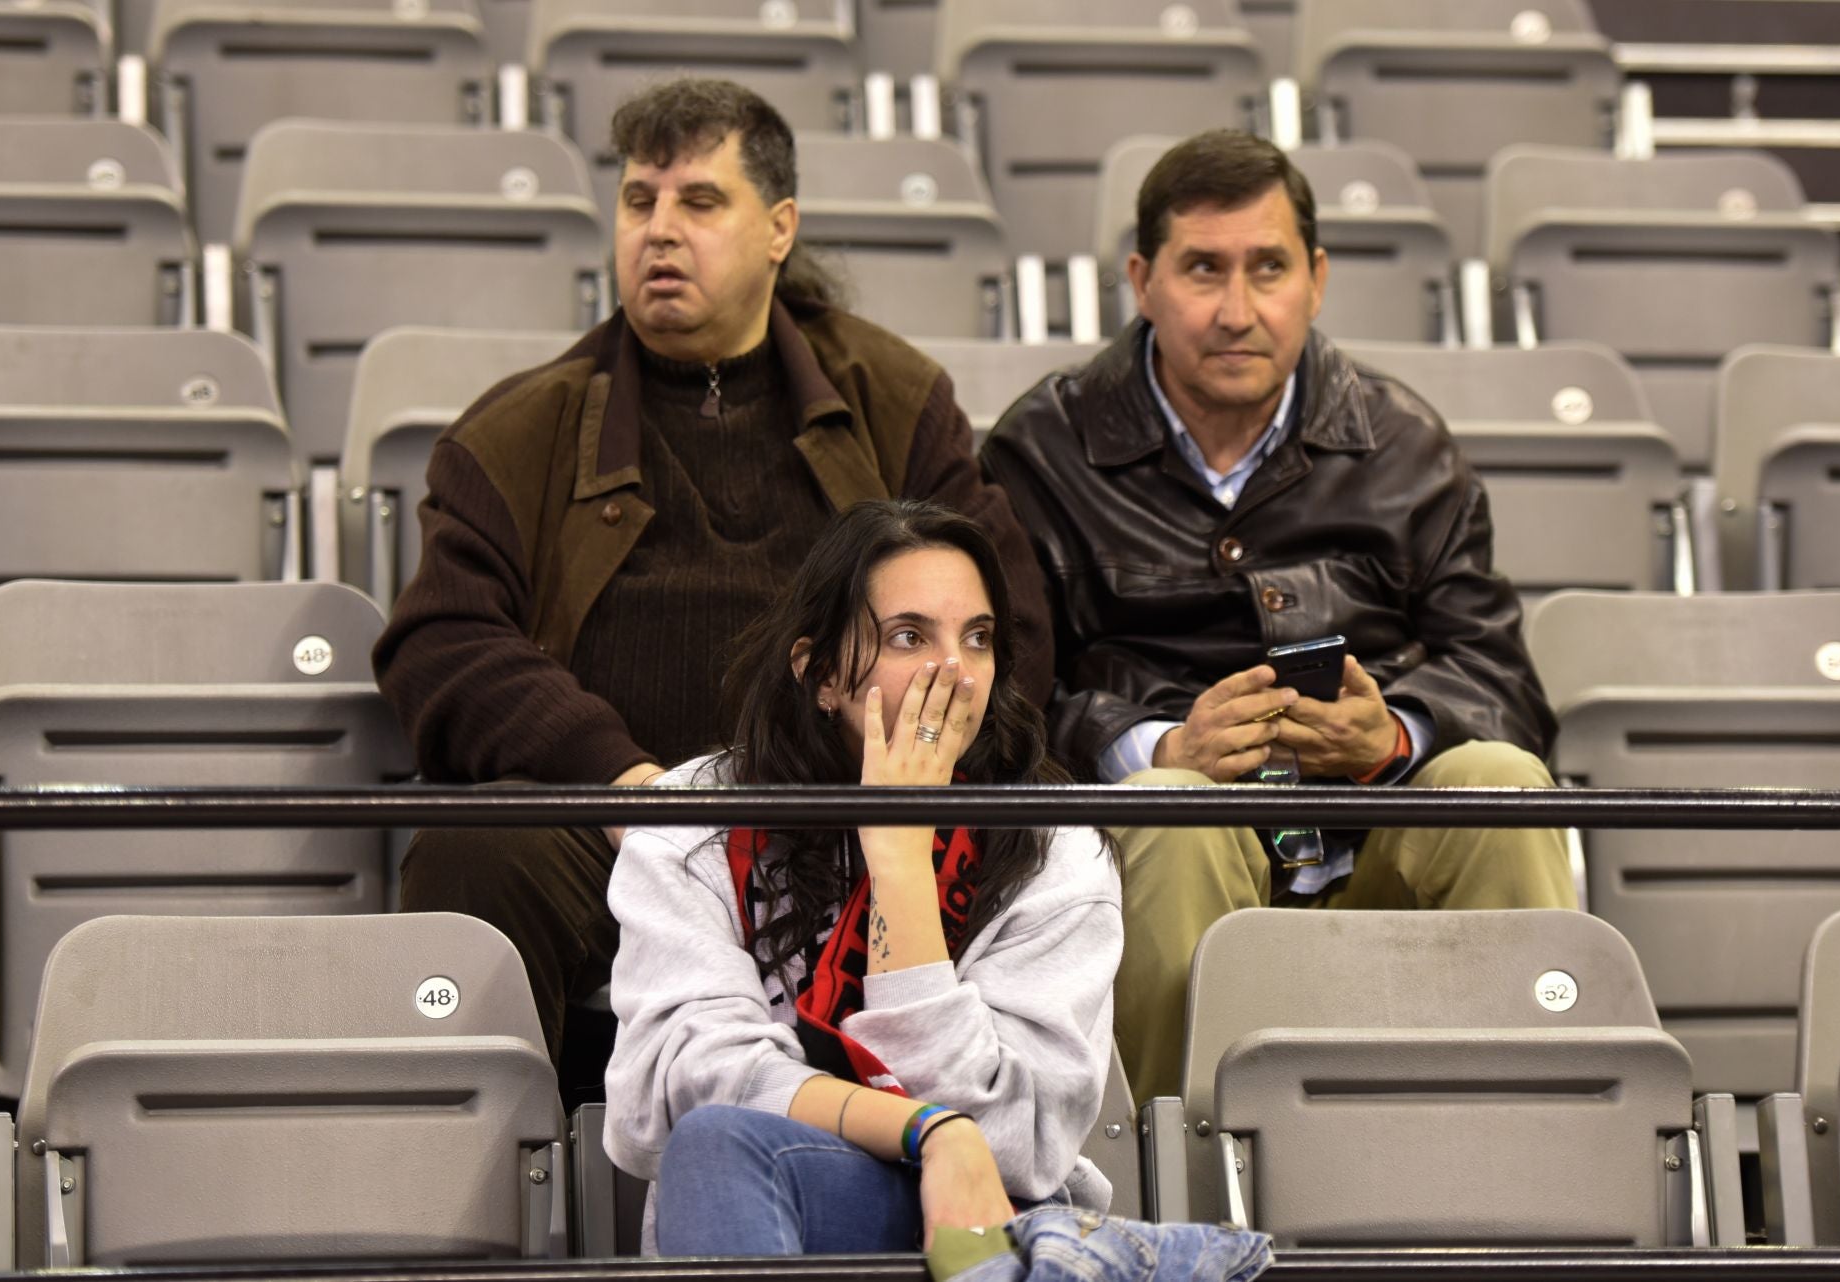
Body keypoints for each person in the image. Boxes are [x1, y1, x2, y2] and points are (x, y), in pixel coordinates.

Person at [373, 79, 1051, 1066]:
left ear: (779, 228)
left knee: (1052, 814)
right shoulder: (518, 431)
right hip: (615, 833)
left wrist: (885, 789)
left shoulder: (897, 403)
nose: (659, 230)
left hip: (851, 815)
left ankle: (993, 1147)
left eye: (699, 202)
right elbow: (441, 642)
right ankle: (476, 1175)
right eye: (638, 201)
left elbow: (1011, 621)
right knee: (477, 846)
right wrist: (627, 789)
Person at [977, 130, 1573, 1104]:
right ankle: (1176, 1196)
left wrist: (1391, 737)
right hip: (1160, 839)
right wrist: (1155, 747)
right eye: (1203, 270)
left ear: (1317, 279)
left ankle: (1525, 1163)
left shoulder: (1406, 446)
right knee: (1176, 812)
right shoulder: (1044, 450)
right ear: (1142, 279)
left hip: (1372, 831)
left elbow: (1502, 678)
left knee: (1502, 783)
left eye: (1268, 269)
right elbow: (1005, 695)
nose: (1236, 310)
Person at [603, 499, 1121, 1255]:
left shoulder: (1053, 840)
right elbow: (681, 1088)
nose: (955, 672)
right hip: (773, 1197)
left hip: (990, 1224)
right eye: (910, 636)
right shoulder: (693, 818)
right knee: (718, 1144)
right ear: (820, 675)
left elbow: (1023, 1133)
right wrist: (925, 1130)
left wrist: (901, 856)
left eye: (977, 640)